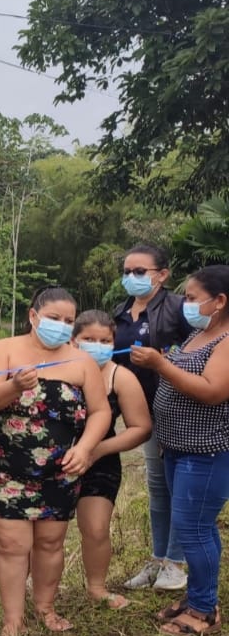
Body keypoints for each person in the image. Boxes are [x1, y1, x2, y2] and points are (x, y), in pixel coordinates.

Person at [0, 286, 110, 636]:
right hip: (6, 469)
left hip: (61, 470)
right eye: (54, 318)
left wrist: (85, 448)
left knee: (51, 542)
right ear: (33, 316)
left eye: (68, 321)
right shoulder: (4, 349)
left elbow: (101, 411)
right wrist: (14, 386)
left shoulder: (82, 362)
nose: (61, 326)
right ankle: (13, 622)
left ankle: (45, 608)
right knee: (12, 546)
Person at [131, 264, 229, 636]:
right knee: (196, 527)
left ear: (219, 301)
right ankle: (199, 597)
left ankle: (203, 610)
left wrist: (160, 364)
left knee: (194, 529)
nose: (185, 304)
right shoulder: (199, 336)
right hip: (176, 448)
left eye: (191, 298)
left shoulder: (226, 341)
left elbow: (212, 391)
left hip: (206, 452)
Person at [112, 245, 190, 592]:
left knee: (177, 486)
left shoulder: (179, 309)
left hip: (175, 407)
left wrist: (165, 361)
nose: (131, 277)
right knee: (157, 487)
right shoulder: (121, 312)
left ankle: (177, 563)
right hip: (140, 411)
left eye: (140, 271)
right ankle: (159, 559)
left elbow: (201, 352)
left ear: (162, 274)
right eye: (127, 271)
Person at [71, 311, 151, 610]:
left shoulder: (121, 377)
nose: (97, 346)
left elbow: (141, 428)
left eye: (105, 341)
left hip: (100, 460)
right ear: (73, 341)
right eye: (89, 339)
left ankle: (97, 587)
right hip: (50, 459)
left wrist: (97, 450)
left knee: (96, 528)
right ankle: (36, 589)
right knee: (43, 533)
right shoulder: (55, 368)